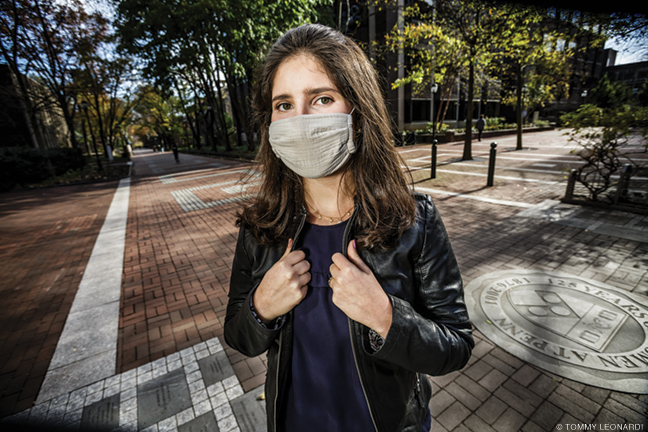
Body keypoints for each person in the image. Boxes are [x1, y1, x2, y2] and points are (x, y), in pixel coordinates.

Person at [224, 24, 474, 432]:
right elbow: (238, 335)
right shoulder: (260, 227)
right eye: (283, 105)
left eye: (321, 98)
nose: (299, 120)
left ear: (358, 116)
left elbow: (455, 347)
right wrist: (260, 309)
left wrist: (387, 317)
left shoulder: (413, 219)